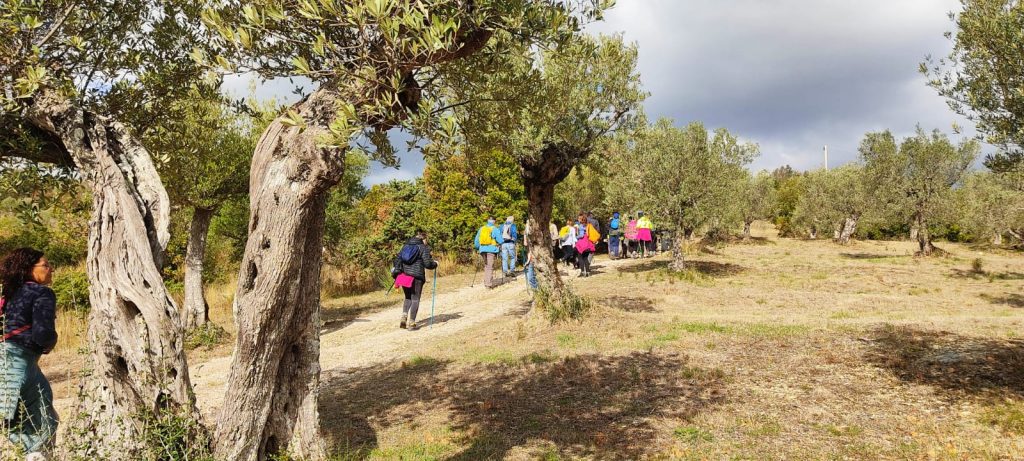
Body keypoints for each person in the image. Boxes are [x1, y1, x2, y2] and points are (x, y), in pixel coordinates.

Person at [1, 248, 59, 458]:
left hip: (6, 361)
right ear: (28, 269)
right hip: (19, 361)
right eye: (45, 265)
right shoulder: (41, 292)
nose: (51, 269)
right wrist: (50, 342)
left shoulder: (7, 294)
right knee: (43, 418)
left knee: (11, 419)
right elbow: (42, 333)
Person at [395, 231, 437, 330]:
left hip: (405, 275)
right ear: (424, 239)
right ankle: (412, 322)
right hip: (417, 276)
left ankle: (404, 316)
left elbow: (397, 259)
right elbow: (427, 264)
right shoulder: (423, 247)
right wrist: (435, 264)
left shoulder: (405, 246)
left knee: (408, 297)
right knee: (415, 299)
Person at [473, 217, 502, 288]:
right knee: (489, 266)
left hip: (482, 249)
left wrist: (477, 247)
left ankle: (486, 282)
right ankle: (488, 284)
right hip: (491, 250)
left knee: (486, 266)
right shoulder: (495, 229)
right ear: (494, 221)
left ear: (487, 221)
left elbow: (476, 240)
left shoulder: (481, 228)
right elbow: (500, 240)